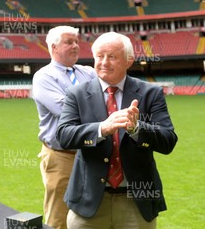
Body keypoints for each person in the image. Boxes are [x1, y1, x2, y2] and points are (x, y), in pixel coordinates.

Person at [57, 32, 177, 228]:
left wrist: (137, 129)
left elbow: (168, 141)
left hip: (136, 202)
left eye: (112, 56)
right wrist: (101, 129)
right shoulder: (76, 94)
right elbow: (64, 136)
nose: (104, 62)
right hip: (89, 201)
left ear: (129, 60)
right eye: (99, 56)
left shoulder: (150, 93)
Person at [31, 26, 96, 229]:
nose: (76, 46)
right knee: (59, 218)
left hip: (91, 154)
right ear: (53, 47)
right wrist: (97, 108)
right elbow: (66, 112)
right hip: (61, 156)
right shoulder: (44, 77)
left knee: (93, 213)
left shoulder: (89, 72)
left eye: (77, 41)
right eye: (69, 42)